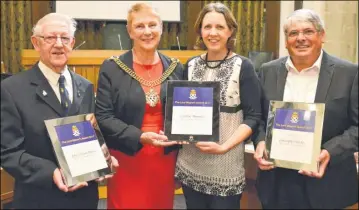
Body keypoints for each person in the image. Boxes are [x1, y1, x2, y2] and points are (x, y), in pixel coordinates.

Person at [1, 13, 118, 209]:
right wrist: (51, 172)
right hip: (38, 198)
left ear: (72, 43)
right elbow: (8, 152)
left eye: (64, 38)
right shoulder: (12, 89)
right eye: (50, 38)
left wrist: (103, 158)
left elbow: (86, 135)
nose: (58, 44)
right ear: (36, 43)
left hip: (84, 199)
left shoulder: (86, 86)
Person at [253, 9, 358, 209]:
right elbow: (257, 118)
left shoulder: (350, 74)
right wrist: (259, 142)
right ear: (286, 40)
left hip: (327, 183)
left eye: (308, 31)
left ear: (322, 36)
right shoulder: (268, 71)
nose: (301, 38)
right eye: (293, 33)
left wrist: (329, 151)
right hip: (277, 182)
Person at [95, 3, 184, 209]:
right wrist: (140, 137)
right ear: (129, 31)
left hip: (165, 157)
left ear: (161, 28)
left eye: (153, 25)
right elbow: (104, 116)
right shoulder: (112, 67)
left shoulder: (175, 67)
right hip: (127, 157)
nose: (147, 32)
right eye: (139, 26)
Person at [175, 3, 262, 209]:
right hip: (190, 163)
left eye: (220, 27)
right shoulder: (190, 65)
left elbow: (253, 116)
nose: (213, 33)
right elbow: (181, 110)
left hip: (225, 166)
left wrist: (223, 147)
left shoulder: (244, 66)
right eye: (207, 27)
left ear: (230, 31)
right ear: (200, 31)